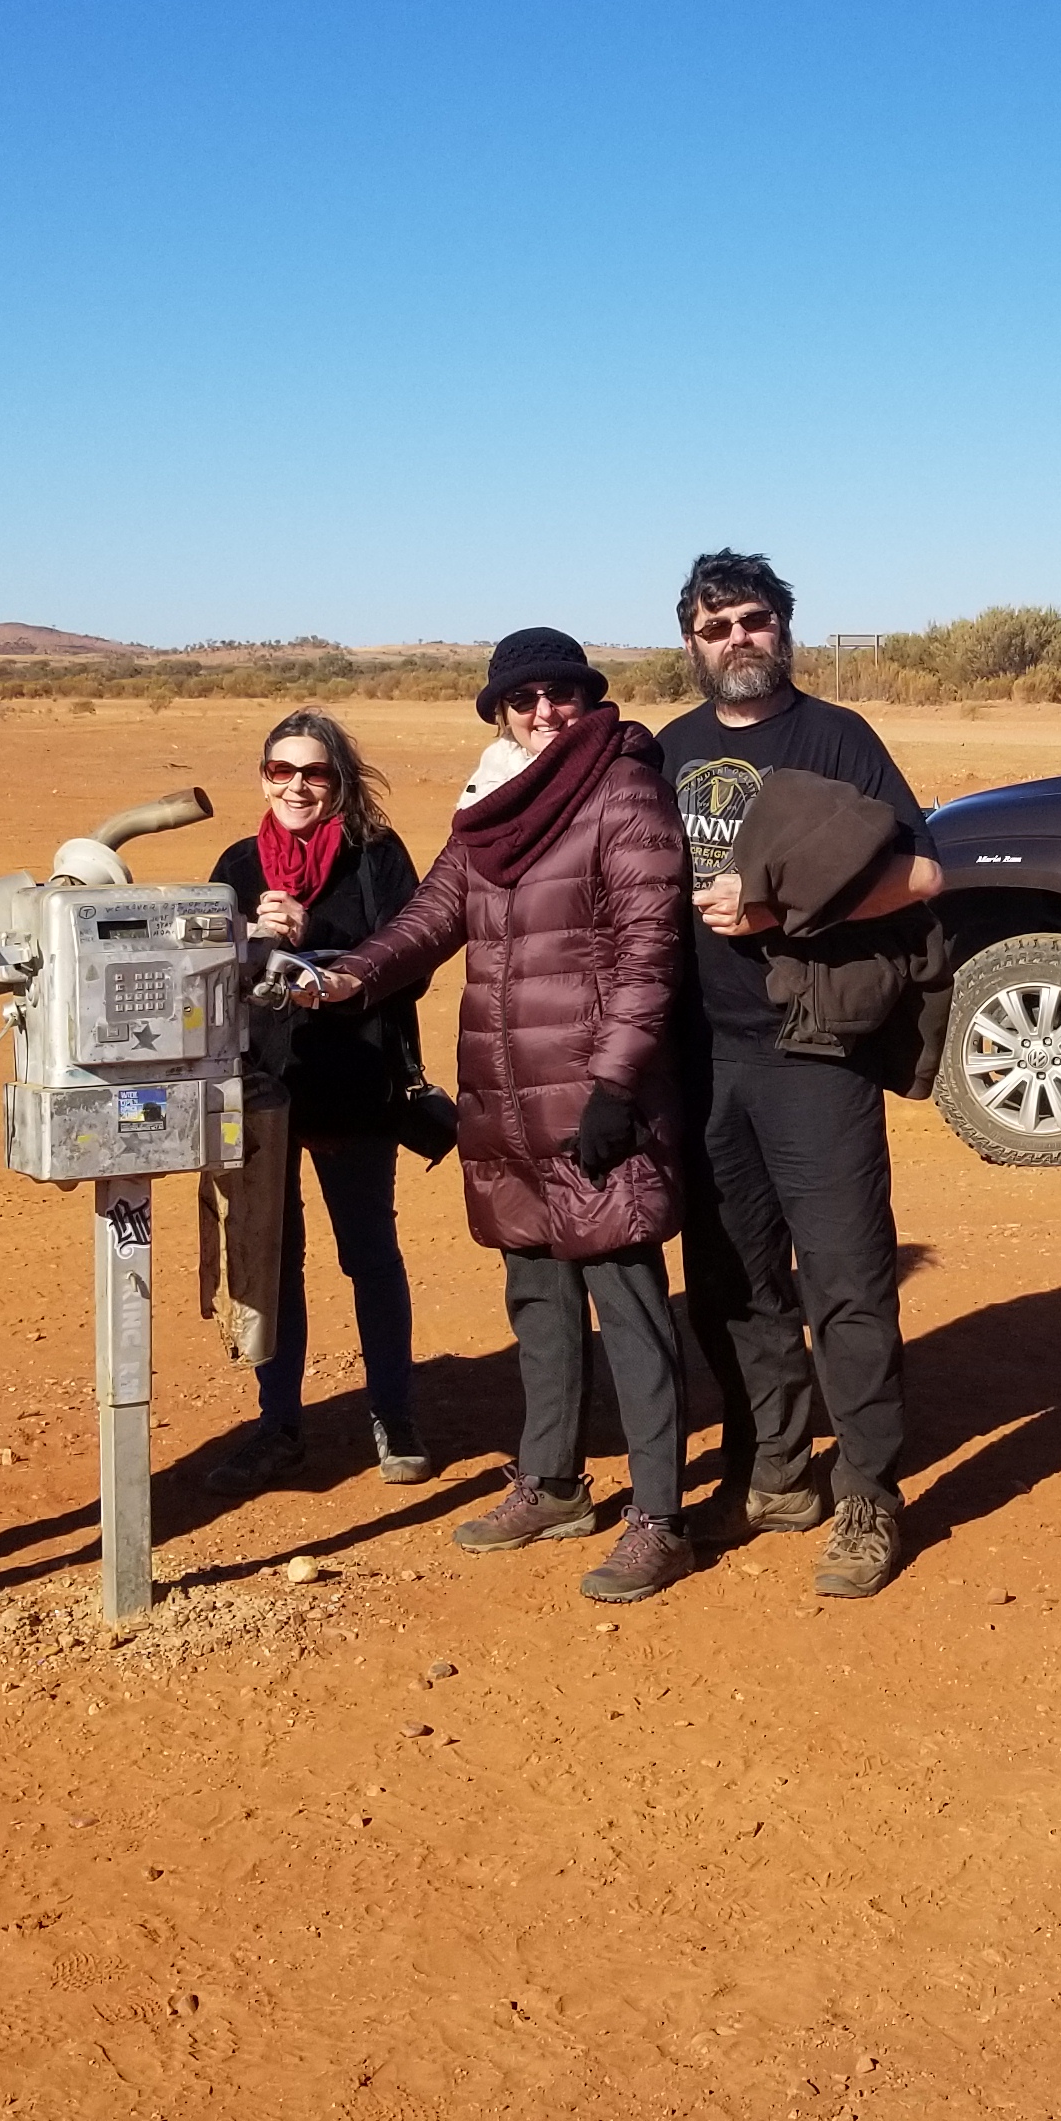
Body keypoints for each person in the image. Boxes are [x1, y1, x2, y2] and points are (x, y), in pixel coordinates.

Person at [301, 630, 699, 1604]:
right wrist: (345, 975)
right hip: (505, 1099)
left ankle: (661, 1518)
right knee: (538, 1301)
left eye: (561, 693)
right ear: (499, 713)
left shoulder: (623, 790)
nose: (544, 711)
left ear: (587, 699)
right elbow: (435, 914)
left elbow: (653, 951)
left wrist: (615, 1086)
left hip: (593, 1100)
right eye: (523, 699)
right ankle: (553, 1482)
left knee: (632, 1310)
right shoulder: (489, 807)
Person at [657, 550, 946, 1599]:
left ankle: (870, 1491)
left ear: (784, 626)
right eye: (716, 625)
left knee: (847, 1279)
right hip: (701, 1053)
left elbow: (921, 871)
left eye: (753, 619)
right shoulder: (669, 751)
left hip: (812, 1047)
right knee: (733, 1282)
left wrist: (782, 912)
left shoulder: (837, 740)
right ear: (691, 643)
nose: (738, 638)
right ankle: (775, 1472)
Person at [207, 709, 436, 1487]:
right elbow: (202, 982)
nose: (298, 786)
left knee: (369, 1253)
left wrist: (329, 966)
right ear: (263, 777)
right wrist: (249, 932)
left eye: (316, 773)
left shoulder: (376, 858)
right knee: (273, 1262)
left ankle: (394, 1417)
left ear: (338, 781)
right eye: (283, 771)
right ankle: (278, 1427)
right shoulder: (239, 865)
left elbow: (416, 960)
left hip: (357, 1084)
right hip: (265, 1089)